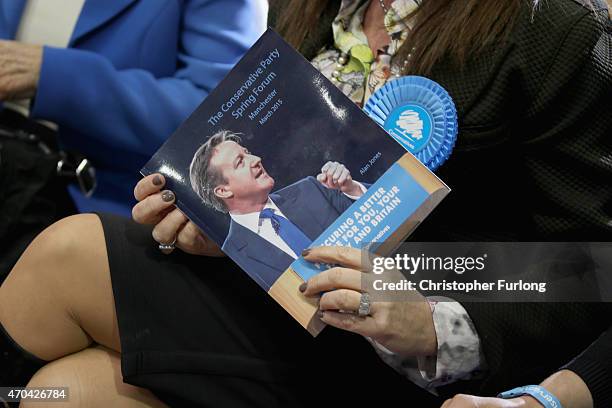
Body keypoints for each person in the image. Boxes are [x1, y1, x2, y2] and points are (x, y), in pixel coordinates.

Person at [0, 0, 610, 406]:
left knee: (70, 252)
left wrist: (431, 319)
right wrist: (213, 226)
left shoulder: (553, 28)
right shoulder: (311, 4)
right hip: (275, 311)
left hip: (407, 360)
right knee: (63, 394)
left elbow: (590, 265)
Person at [188, 130, 365, 288]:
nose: (256, 160)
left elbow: (383, 210)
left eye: (248, 153)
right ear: (223, 191)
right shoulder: (234, 257)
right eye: (240, 162)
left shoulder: (310, 188)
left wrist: (351, 189)